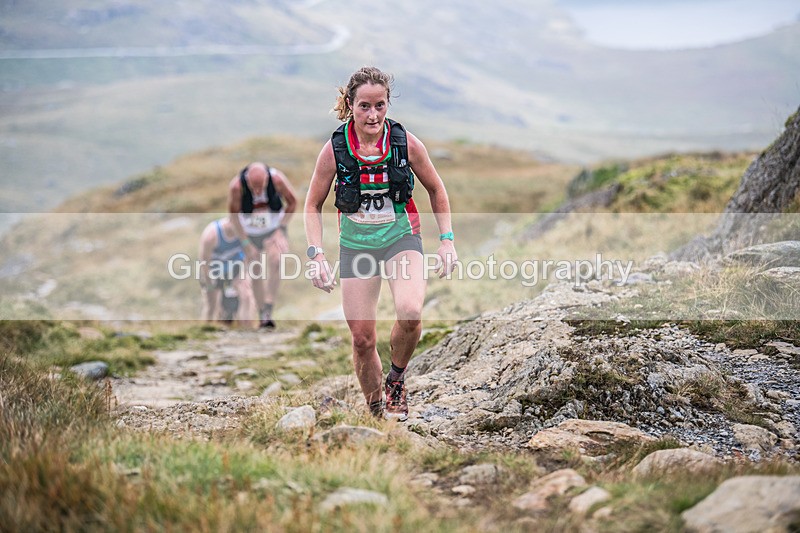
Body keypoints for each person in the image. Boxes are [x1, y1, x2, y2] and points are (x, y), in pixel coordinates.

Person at [304, 66, 458, 420]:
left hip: (401, 238)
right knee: (362, 339)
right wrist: (316, 255)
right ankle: (376, 413)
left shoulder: (405, 143)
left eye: (380, 105)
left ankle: (396, 380)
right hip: (355, 246)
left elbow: (436, 189)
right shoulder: (335, 149)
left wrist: (447, 240)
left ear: (388, 104)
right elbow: (312, 204)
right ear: (351, 104)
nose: (372, 115)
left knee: (410, 313)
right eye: (364, 106)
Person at [228, 161, 297, 328]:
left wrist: (281, 228)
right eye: (254, 187)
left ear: (267, 178)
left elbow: (293, 202)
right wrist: (245, 242)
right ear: (247, 181)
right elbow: (233, 216)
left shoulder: (277, 180)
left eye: (261, 186)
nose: (258, 191)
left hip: (273, 229)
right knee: (256, 270)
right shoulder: (237, 187)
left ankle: (269, 305)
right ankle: (262, 314)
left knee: (276, 260)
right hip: (250, 233)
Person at [198, 216, 256, 326]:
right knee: (212, 304)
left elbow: (250, 255)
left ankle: (247, 328)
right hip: (213, 269)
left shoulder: (246, 232)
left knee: (246, 294)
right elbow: (204, 261)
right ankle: (206, 329)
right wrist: (210, 284)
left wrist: (242, 275)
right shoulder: (212, 234)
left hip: (235, 267)